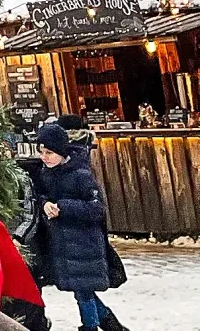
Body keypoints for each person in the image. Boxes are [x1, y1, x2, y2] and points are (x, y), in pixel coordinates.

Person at [30, 122, 127, 331]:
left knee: (83, 291)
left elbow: (96, 209)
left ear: (61, 152)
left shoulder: (80, 174)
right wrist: (45, 203)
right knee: (82, 291)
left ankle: (90, 327)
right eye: (41, 152)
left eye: (49, 152)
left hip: (84, 244)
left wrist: (64, 207)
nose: (44, 157)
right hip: (64, 245)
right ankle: (113, 326)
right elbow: (42, 195)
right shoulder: (47, 173)